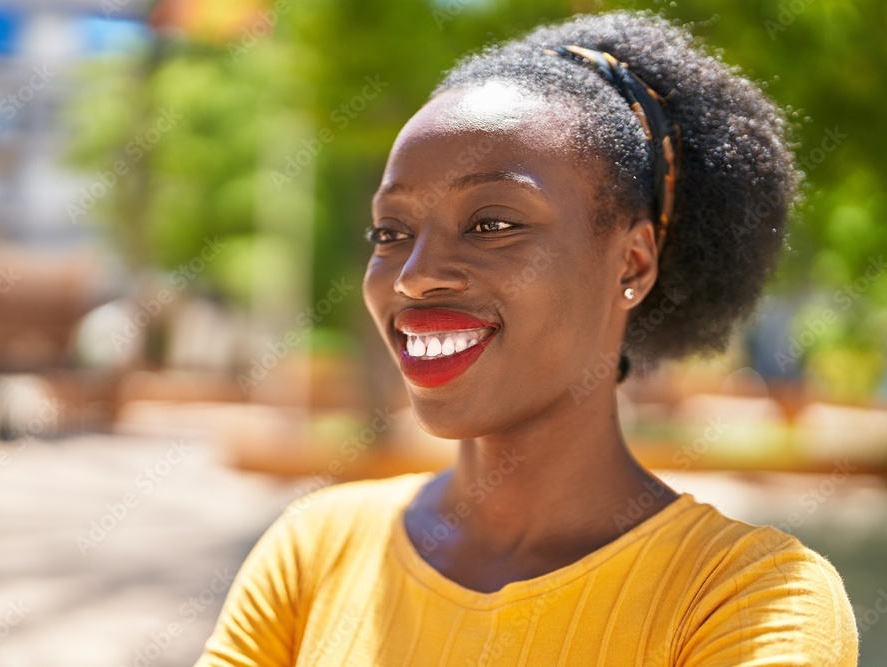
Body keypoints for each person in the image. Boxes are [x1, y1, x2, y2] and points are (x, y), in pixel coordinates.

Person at [194, 10, 859, 666]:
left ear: (631, 263)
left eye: (491, 223)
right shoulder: (313, 550)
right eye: (391, 232)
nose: (415, 276)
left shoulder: (749, 597)